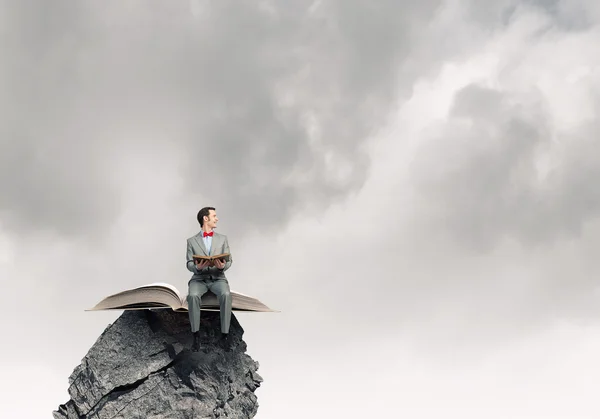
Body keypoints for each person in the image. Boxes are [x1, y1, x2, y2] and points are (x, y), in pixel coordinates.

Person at [186, 206, 233, 351]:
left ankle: (225, 335)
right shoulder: (191, 241)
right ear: (205, 218)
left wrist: (221, 266)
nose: (217, 218)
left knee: (226, 295)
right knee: (192, 296)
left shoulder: (222, 239)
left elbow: (230, 260)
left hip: (218, 278)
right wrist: (197, 268)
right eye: (214, 216)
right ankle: (196, 335)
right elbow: (188, 263)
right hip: (199, 279)